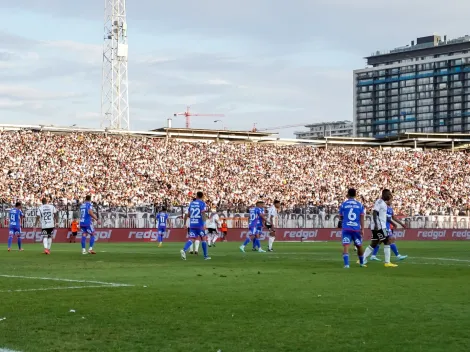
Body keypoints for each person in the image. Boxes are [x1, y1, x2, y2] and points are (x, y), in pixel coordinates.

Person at [363, 189, 398, 268]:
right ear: (386, 195)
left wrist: (392, 223)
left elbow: (383, 216)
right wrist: (375, 224)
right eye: (389, 195)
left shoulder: (384, 204)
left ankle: (362, 259)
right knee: (387, 241)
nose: (390, 196)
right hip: (380, 226)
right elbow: (375, 212)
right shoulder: (379, 202)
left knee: (374, 243)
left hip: (380, 226)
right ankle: (387, 262)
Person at [338, 189, 366, 268]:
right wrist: (362, 229)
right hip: (356, 228)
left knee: (346, 245)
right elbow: (361, 217)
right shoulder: (359, 205)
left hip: (346, 228)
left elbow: (341, 216)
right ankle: (361, 263)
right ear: (355, 194)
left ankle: (347, 265)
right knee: (359, 245)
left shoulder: (344, 204)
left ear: (348, 194)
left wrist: (341, 221)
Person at [180, 192, 211, 260]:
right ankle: (205, 256)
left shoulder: (191, 203)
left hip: (192, 224)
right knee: (203, 238)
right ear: (202, 196)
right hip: (199, 224)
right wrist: (204, 224)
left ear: (196, 196)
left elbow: (187, 214)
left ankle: (184, 250)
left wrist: (185, 224)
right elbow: (203, 213)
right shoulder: (202, 203)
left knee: (192, 239)